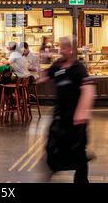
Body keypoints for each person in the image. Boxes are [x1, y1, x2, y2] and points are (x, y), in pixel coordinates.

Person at [38, 37, 96, 183]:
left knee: (79, 152)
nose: (62, 51)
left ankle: (81, 181)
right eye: (60, 48)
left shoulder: (79, 68)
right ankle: (53, 170)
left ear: (71, 50)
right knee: (52, 147)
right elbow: (43, 78)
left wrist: (82, 112)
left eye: (65, 48)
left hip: (76, 118)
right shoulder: (57, 66)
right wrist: (43, 60)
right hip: (60, 116)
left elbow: (89, 89)